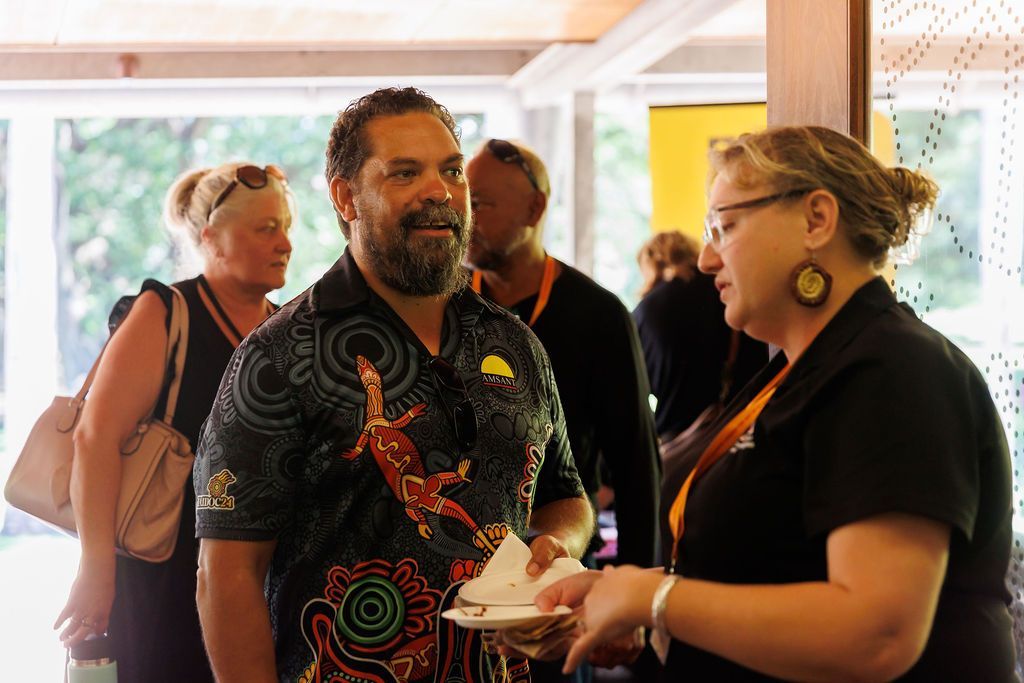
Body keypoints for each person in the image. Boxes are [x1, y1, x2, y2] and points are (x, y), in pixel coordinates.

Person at [530, 125, 1018, 681]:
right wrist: (625, 600)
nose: (708, 259)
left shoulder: (892, 370)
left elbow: (876, 632)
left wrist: (656, 599)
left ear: (816, 220)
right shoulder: (800, 371)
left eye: (725, 225)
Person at [193, 88, 594, 683]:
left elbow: (567, 495)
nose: (440, 191)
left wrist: (559, 544)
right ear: (344, 197)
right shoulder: (279, 356)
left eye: (451, 171)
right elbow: (226, 574)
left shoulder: (514, 343)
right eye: (405, 173)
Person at [54, 161, 293, 683]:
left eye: (286, 228)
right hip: (161, 569)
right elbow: (95, 440)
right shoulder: (166, 312)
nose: (285, 244)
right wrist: (96, 570)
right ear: (212, 237)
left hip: (257, 577)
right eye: (265, 228)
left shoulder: (287, 328)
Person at [464, 139, 660, 681]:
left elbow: (637, 463)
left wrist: (638, 596)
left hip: (560, 566)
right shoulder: (452, 307)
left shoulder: (596, 314)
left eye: (482, 203)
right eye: (465, 200)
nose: (466, 216)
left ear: (534, 210)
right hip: (466, 572)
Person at [633, 231, 767, 442]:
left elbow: (635, 388)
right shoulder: (729, 294)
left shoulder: (647, 310)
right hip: (740, 431)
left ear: (651, 265)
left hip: (677, 440)